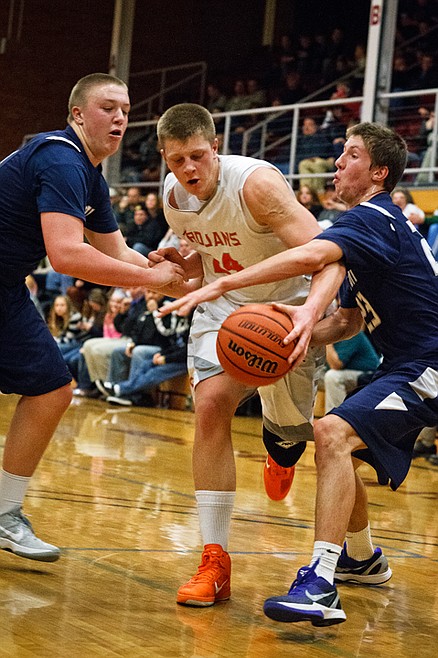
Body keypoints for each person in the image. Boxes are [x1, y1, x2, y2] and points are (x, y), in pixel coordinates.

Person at [163, 121, 438, 625]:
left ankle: (320, 585)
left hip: (431, 362)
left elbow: (310, 254)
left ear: (379, 173)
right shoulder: (364, 234)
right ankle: (362, 559)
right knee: (340, 447)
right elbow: (348, 321)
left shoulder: (375, 217)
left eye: (351, 155)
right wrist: (296, 335)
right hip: (404, 364)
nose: (337, 162)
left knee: (331, 433)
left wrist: (221, 284)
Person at [149, 102, 344, 607]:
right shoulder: (172, 198)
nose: (189, 169)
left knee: (292, 437)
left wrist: (313, 316)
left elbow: (327, 256)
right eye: (177, 160)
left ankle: (283, 451)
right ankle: (215, 560)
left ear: (216, 147)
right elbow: (217, 257)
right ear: (165, 158)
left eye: (197, 156)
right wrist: (185, 266)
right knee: (210, 405)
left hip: (285, 311)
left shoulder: (256, 185)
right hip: (226, 309)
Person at [0, 72, 185, 564]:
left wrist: (180, 279)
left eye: (125, 109)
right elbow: (66, 255)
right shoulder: (61, 158)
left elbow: (116, 251)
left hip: (6, 288)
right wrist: (152, 279)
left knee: (51, 388)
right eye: (108, 108)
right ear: (78, 114)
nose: (120, 117)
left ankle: (4, 512)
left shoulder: (90, 175)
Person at [323, 331, 381, 414]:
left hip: (368, 375)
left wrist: (327, 342)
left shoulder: (352, 333)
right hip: (348, 372)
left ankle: (336, 415)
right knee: (313, 374)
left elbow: (336, 365)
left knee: (332, 376)